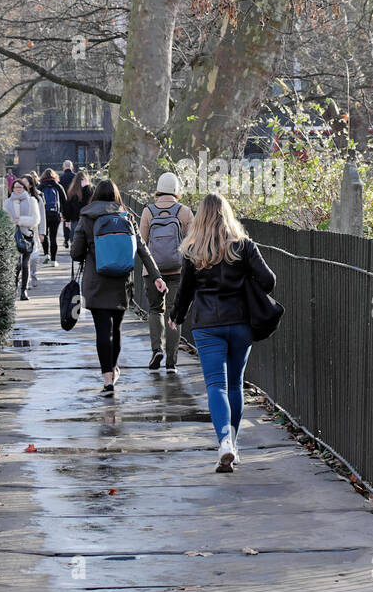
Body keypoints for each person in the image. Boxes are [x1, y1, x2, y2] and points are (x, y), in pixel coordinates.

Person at [170, 193, 276, 473]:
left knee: (215, 385)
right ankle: (233, 444)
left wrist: (176, 317)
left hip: (207, 325)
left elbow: (185, 291)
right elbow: (268, 280)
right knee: (235, 385)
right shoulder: (243, 246)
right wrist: (245, 282)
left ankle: (224, 442)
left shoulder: (193, 250)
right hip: (240, 322)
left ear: (200, 218)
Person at [70, 179, 166, 395]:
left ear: (95, 195)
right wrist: (157, 276)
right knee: (116, 329)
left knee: (102, 331)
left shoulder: (87, 217)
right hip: (121, 282)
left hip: (96, 283)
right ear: (116, 196)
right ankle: (114, 369)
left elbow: (76, 253)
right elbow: (142, 249)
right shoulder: (126, 216)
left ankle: (107, 380)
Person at [138, 171, 193, 372]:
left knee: (155, 310)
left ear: (159, 189)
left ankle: (156, 350)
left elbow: (142, 243)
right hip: (178, 270)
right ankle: (171, 361)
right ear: (176, 190)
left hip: (153, 273)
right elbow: (192, 243)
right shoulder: (184, 212)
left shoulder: (148, 212)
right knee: (174, 313)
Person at [2, 178, 41, 301]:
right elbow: (5, 220)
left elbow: (36, 219)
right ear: (12, 189)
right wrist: (12, 224)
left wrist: (21, 221)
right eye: (15, 188)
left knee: (25, 264)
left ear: (24, 188)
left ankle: (23, 290)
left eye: (20, 187)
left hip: (27, 236)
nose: (18, 190)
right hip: (13, 236)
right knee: (16, 264)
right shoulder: (7, 203)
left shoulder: (32, 201)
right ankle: (13, 289)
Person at [22, 174, 47, 287]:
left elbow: (42, 216)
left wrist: (42, 232)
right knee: (24, 256)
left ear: (31, 184)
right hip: (22, 230)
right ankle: (25, 280)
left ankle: (33, 275)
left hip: (35, 230)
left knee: (34, 255)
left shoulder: (38, 198)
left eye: (25, 182)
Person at [39, 169, 68, 265]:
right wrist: (64, 215)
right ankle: (53, 260)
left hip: (43, 215)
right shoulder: (58, 186)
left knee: (44, 234)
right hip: (55, 215)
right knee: (53, 237)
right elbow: (64, 201)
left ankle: (46, 254)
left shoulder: (40, 186)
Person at [62, 169, 92, 248]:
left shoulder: (72, 191)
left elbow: (68, 206)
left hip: (75, 218)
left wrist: (67, 218)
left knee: (75, 237)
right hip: (87, 217)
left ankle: (76, 253)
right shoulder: (89, 189)